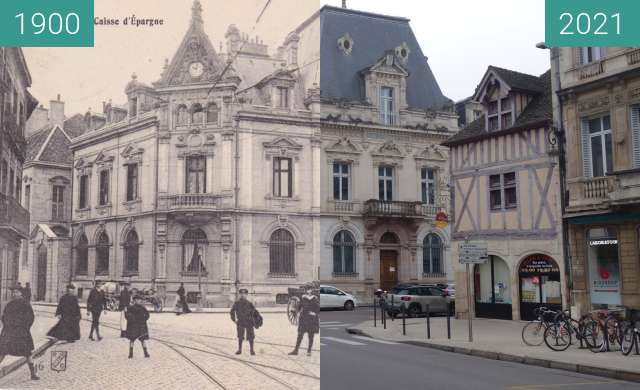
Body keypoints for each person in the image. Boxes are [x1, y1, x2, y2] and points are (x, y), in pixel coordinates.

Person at [0, 287, 39, 380]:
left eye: (16, 292)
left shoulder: (26, 304)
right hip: (9, 332)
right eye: (13, 292)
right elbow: (4, 317)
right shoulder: (9, 304)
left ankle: (33, 374)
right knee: (2, 351)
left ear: (21, 293)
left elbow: (31, 317)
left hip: (22, 333)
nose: (14, 294)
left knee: (28, 353)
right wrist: (7, 325)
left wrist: (25, 328)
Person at [289, 284, 319, 356]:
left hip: (312, 318)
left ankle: (309, 351)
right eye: (307, 289)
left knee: (311, 335)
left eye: (310, 289)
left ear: (312, 290)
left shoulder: (315, 298)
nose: (309, 291)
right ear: (305, 290)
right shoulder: (303, 298)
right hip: (304, 318)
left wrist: (314, 313)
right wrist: (295, 310)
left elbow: (318, 308)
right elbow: (299, 307)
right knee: (300, 335)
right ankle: (296, 350)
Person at [230, 288, 259, 355]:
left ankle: (252, 350)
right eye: (241, 294)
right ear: (239, 295)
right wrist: (234, 320)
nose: (243, 295)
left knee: (251, 336)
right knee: (240, 336)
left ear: (246, 295)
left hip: (249, 322)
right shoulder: (236, 303)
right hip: (240, 321)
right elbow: (232, 311)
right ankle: (239, 350)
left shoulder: (249, 303)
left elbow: (254, 312)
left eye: (244, 294)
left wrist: (255, 321)